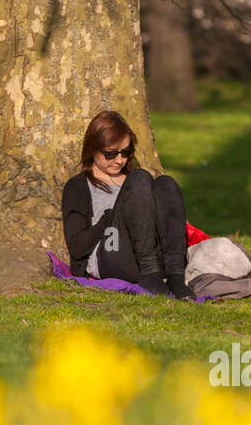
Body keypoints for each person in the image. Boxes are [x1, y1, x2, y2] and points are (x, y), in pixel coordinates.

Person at [61, 111, 195, 300]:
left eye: (125, 152)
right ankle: (149, 273)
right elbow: (76, 246)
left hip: (154, 256)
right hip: (112, 254)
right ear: (92, 150)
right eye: (110, 154)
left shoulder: (133, 181)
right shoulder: (78, 186)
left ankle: (175, 275)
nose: (120, 160)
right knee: (140, 177)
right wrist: (104, 222)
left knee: (166, 183)